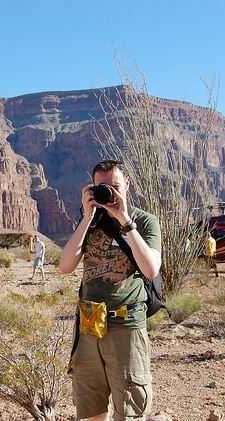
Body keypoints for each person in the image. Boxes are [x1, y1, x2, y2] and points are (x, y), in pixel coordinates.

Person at [59, 160, 162, 421]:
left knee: (130, 410)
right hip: (90, 323)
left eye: (115, 186)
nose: (110, 194)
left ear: (127, 184)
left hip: (126, 322)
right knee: (90, 408)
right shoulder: (90, 222)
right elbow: (66, 266)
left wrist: (124, 219)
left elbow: (151, 270)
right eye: (102, 188)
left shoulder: (145, 221)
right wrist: (86, 217)